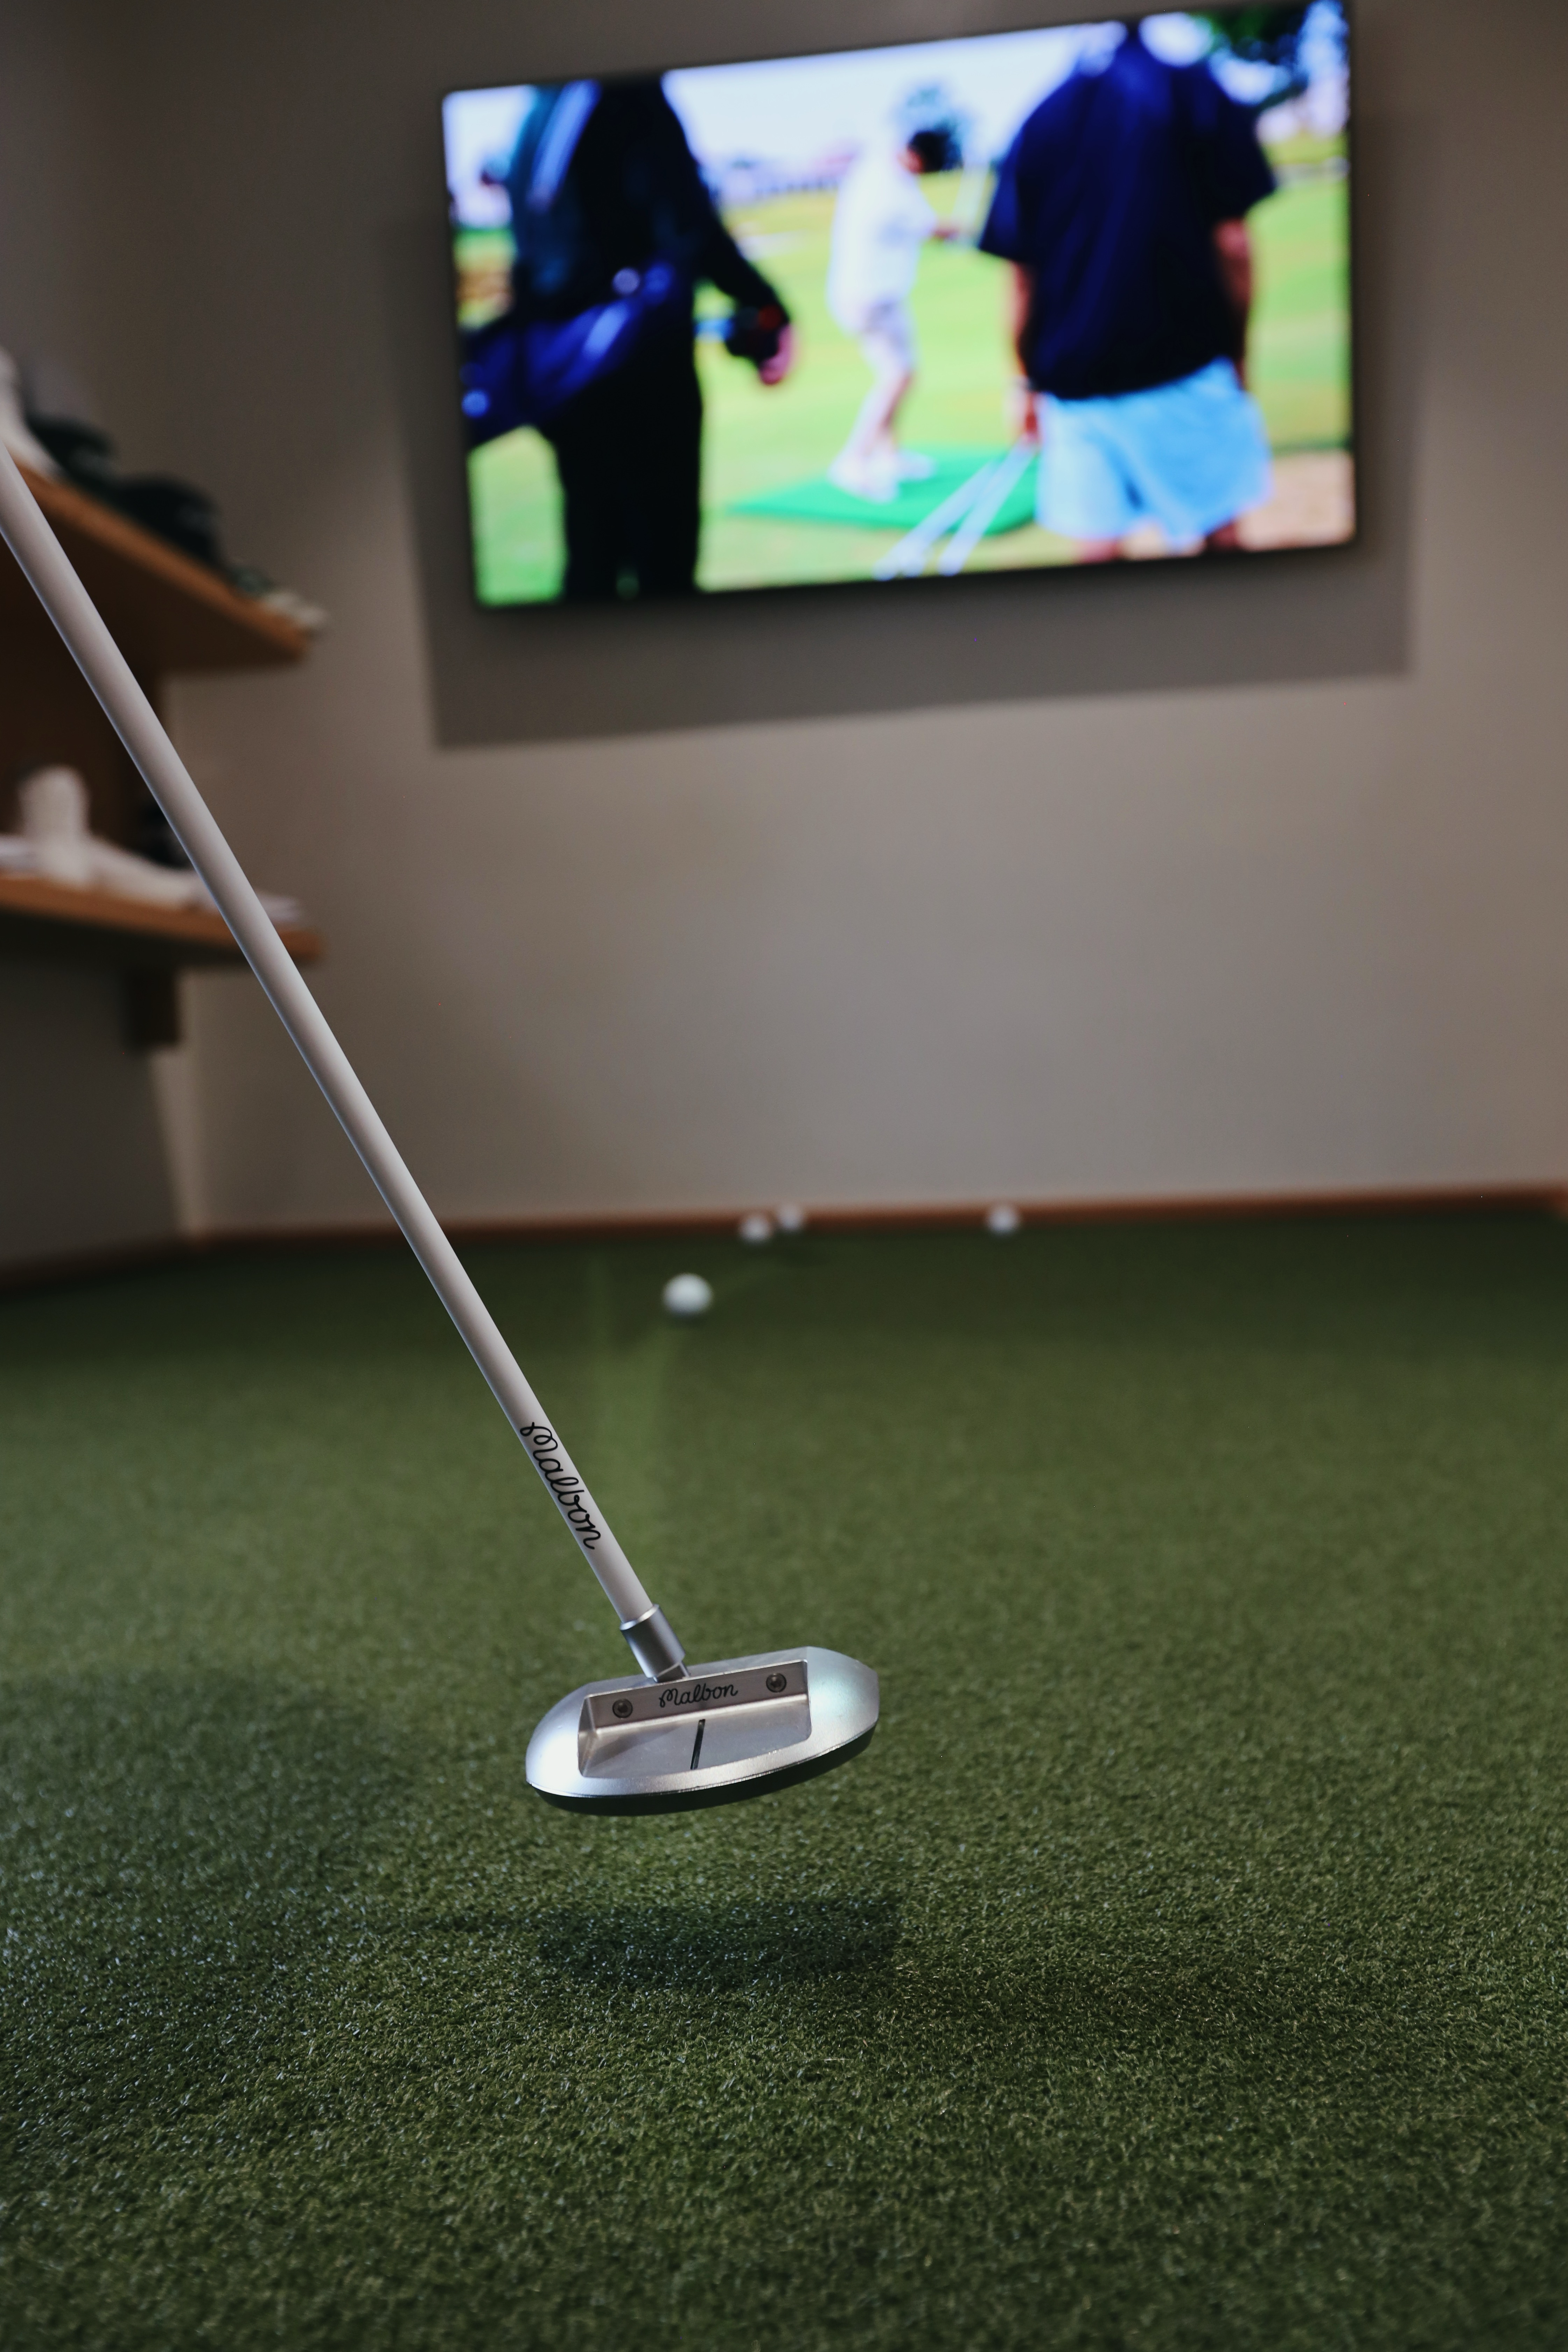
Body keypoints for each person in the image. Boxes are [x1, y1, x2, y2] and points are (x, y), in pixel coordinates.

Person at [978, 23, 1276, 560]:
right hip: (1183, 367)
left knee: (1097, 559)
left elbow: (1022, 281)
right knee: (1221, 542)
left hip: (1074, 389)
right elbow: (1234, 246)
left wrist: (1026, 384)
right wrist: (1238, 354)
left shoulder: (1039, 118)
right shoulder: (1194, 92)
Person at [501, 77, 794, 600]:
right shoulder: (625, 94)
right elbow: (686, 225)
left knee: (591, 562)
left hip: (563, 380)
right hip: (641, 382)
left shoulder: (541, 107)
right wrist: (763, 302)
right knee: (664, 575)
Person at [825, 119, 962, 502]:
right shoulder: (892, 192)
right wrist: (961, 231)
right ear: (918, 159)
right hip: (871, 298)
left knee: (896, 373)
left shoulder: (880, 162)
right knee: (898, 377)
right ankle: (853, 461)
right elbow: (932, 229)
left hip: (867, 293)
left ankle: (889, 457)